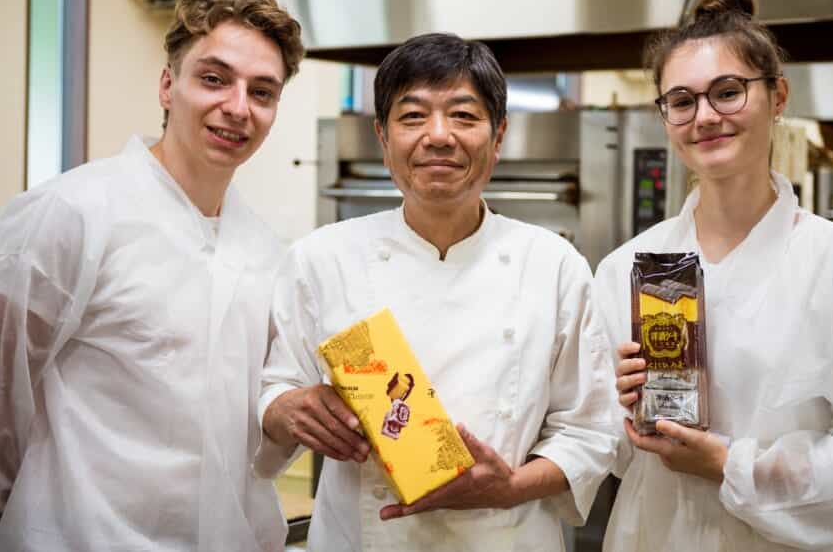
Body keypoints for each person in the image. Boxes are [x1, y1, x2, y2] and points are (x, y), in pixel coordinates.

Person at [0, 0, 305, 551]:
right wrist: (2, 517)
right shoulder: (72, 214)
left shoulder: (266, 252)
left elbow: (251, 426)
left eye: (262, 91)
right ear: (168, 86)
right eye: (215, 78)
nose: (239, 107)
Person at [255, 32, 617, 551]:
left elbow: (591, 430)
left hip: (505, 538)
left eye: (464, 116)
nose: (439, 136)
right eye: (413, 116)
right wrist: (286, 408)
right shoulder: (321, 259)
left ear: (498, 137)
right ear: (383, 139)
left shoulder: (554, 265)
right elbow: (274, 388)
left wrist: (510, 487)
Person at [599, 0, 833, 551]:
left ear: (777, 97)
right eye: (681, 100)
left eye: (727, 92)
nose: (704, 117)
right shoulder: (629, 267)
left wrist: (729, 465)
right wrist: (623, 404)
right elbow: (614, 453)